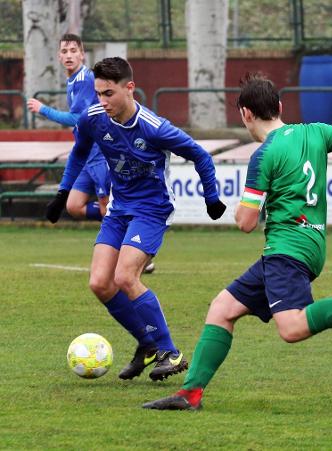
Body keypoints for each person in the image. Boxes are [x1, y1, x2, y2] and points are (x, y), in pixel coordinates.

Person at [143, 72, 332, 411]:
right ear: (280, 107)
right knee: (222, 309)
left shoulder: (264, 154)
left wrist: (236, 207)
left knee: (292, 327)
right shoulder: (313, 132)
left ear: (245, 114)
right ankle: (190, 393)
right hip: (310, 244)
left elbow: (246, 222)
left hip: (287, 248)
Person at [48, 57, 227, 381]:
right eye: (98, 93)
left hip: (152, 209)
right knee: (100, 283)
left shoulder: (154, 127)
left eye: (109, 94)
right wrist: (63, 194)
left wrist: (211, 198)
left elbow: (200, 155)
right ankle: (147, 345)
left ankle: (170, 353)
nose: (102, 101)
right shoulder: (94, 119)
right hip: (119, 208)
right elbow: (78, 153)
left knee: (126, 277)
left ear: (130, 88)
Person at [28, 34, 110, 223]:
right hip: (86, 154)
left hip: (98, 152)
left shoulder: (84, 79)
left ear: (82, 55)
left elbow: (76, 119)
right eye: (64, 51)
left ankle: (122, 227)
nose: (69, 55)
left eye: (74, 51)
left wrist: (43, 109)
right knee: (74, 206)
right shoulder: (72, 80)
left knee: (106, 209)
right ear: (59, 56)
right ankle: (119, 214)